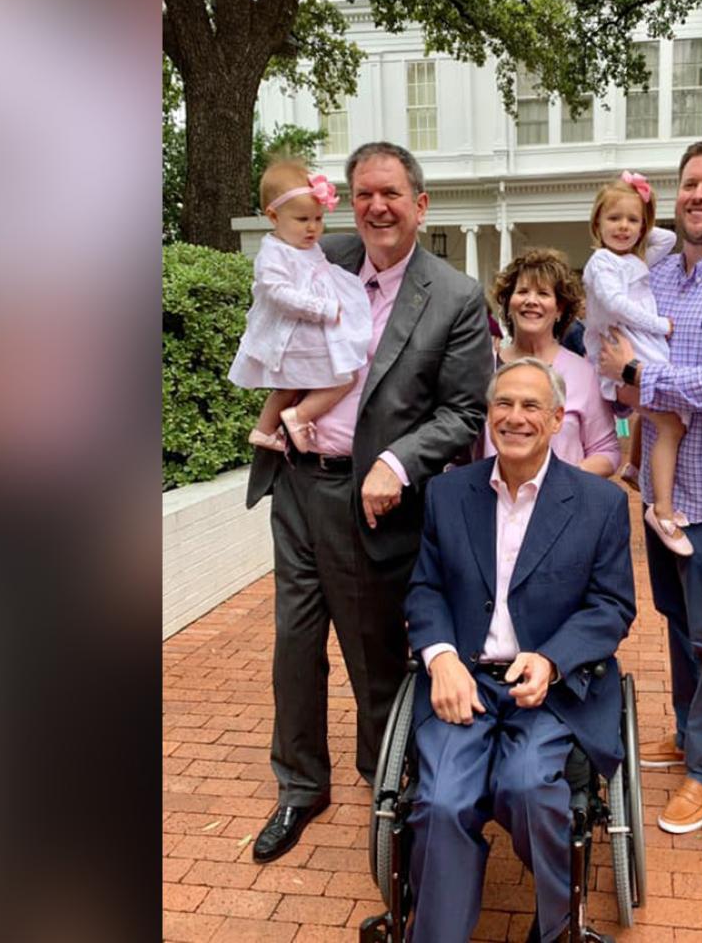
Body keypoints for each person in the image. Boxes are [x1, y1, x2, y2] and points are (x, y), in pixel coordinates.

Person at [246, 141, 493, 864]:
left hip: (370, 498)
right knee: (295, 641)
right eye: (362, 194)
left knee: (372, 653)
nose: (376, 207)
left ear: (420, 204)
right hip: (296, 479)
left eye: (390, 194)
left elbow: (462, 412)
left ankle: (382, 783)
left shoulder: (455, 296)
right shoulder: (323, 256)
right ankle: (300, 784)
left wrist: (395, 461)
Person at [404, 358, 636, 943]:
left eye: (532, 406)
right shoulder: (448, 493)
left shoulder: (598, 504)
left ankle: (557, 927)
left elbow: (611, 606)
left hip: (549, 686)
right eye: (503, 404)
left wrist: (553, 657)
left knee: (529, 786)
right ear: (488, 416)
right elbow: (425, 587)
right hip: (466, 678)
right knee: (440, 801)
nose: (515, 417)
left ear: (558, 419)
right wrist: (440, 657)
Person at [596, 140, 702, 834]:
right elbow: (615, 352)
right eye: (690, 183)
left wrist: (640, 380)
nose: (699, 195)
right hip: (661, 490)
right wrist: (622, 382)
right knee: (674, 621)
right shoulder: (659, 272)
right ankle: (686, 732)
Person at [581, 171, 690, 552]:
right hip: (621, 350)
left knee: (656, 416)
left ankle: (635, 468)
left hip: (636, 347)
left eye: (632, 220)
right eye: (614, 218)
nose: (624, 227)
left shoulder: (634, 258)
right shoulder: (602, 263)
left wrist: (643, 200)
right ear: (597, 223)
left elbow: (669, 237)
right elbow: (615, 304)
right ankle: (661, 510)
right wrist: (661, 325)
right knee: (672, 425)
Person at [230, 160, 372, 451]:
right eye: (302, 219)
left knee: (294, 384)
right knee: (344, 377)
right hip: (296, 336)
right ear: (273, 216)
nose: (313, 228)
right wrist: (323, 308)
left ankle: (265, 429)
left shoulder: (303, 247)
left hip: (307, 333)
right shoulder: (273, 255)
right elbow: (279, 295)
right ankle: (298, 415)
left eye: (318, 219)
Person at [484, 248, 620, 476]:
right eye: (523, 291)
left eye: (543, 294)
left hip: (563, 506)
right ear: (508, 304)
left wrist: (559, 484)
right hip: (493, 504)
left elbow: (607, 451)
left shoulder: (583, 374)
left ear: (560, 309)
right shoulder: (484, 367)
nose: (531, 301)